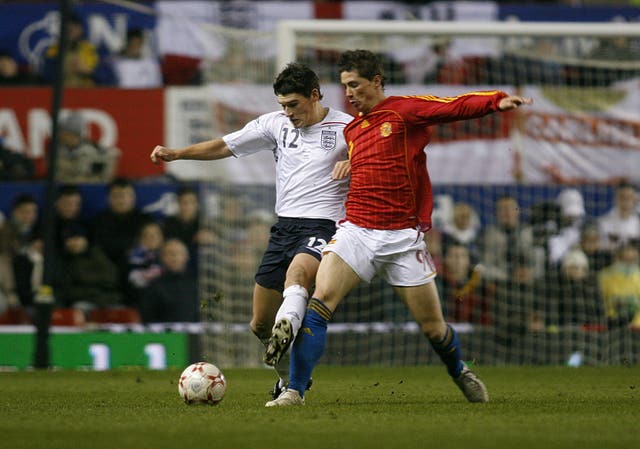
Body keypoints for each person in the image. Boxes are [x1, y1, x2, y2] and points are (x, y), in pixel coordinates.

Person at [266, 49, 532, 407]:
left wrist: (495, 101)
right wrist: (349, 162)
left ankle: (459, 370)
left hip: (402, 238)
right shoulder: (352, 129)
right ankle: (295, 391)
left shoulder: (404, 111)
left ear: (376, 81)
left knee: (434, 328)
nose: (350, 93)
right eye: (345, 86)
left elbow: (451, 106)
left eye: (355, 84)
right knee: (320, 303)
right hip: (356, 231)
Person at [150, 62, 352, 398]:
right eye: (282, 105)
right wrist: (177, 154)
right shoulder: (274, 125)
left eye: (294, 105)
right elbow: (225, 145)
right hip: (284, 227)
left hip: (326, 224)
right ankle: (290, 374)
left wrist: (355, 161)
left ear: (315, 95)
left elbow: (381, 158)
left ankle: (291, 347)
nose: (287, 112)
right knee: (259, 323)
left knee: (298, 275)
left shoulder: (347, 128)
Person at [138, 239, 199, 323]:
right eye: (170, 253)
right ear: (162, 258)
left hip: (195, 333)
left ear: (186, 257)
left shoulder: (197, 284)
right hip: (164, 334)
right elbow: (147, 316)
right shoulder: (154, 286)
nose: (174, 257)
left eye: (178, 253)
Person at [55, 112, 120, 184]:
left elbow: (104, 177)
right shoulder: (56, 151)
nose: (60, 135)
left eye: (64, 132)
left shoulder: (97, 152)